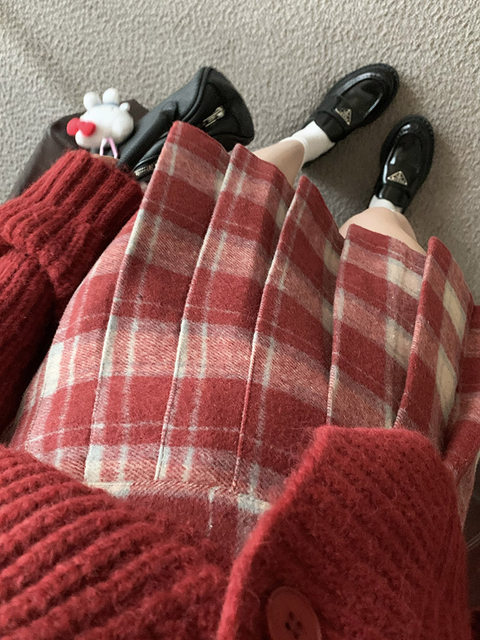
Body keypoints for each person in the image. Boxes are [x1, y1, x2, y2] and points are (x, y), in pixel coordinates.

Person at [0, 63, 478, 639]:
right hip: (372, 559)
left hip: (104, 422)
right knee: (391, 280)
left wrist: (59, 227)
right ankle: (388, 203)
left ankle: (309, 141)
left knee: (236, 202)